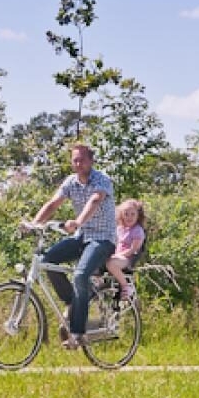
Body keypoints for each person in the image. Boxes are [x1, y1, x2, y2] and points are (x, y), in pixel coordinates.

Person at [24, 143, 116, 348]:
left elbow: (94, 201)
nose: (78, 163)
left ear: (91, 161)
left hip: (102, 238)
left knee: (80, 276)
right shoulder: (70, 182)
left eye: (82, 159)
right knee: (48, 260)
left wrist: (78, 222)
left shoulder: (102, 180)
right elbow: (53, 204)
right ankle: (72, 302)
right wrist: (34, 224)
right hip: (82, 237)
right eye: (75, 160)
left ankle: (77, 333)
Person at [104, 198, 146, 301]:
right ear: (121, 215)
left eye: (132, 214)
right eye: (126, 214)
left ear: (138, 216)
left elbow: (133, 249)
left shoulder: (137, 230)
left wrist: (118, 255)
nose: (129, 217)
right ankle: (99, 285)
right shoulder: (119, 228)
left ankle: (126, 286)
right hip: (118, 256)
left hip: (128, 258)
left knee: (111, 264)